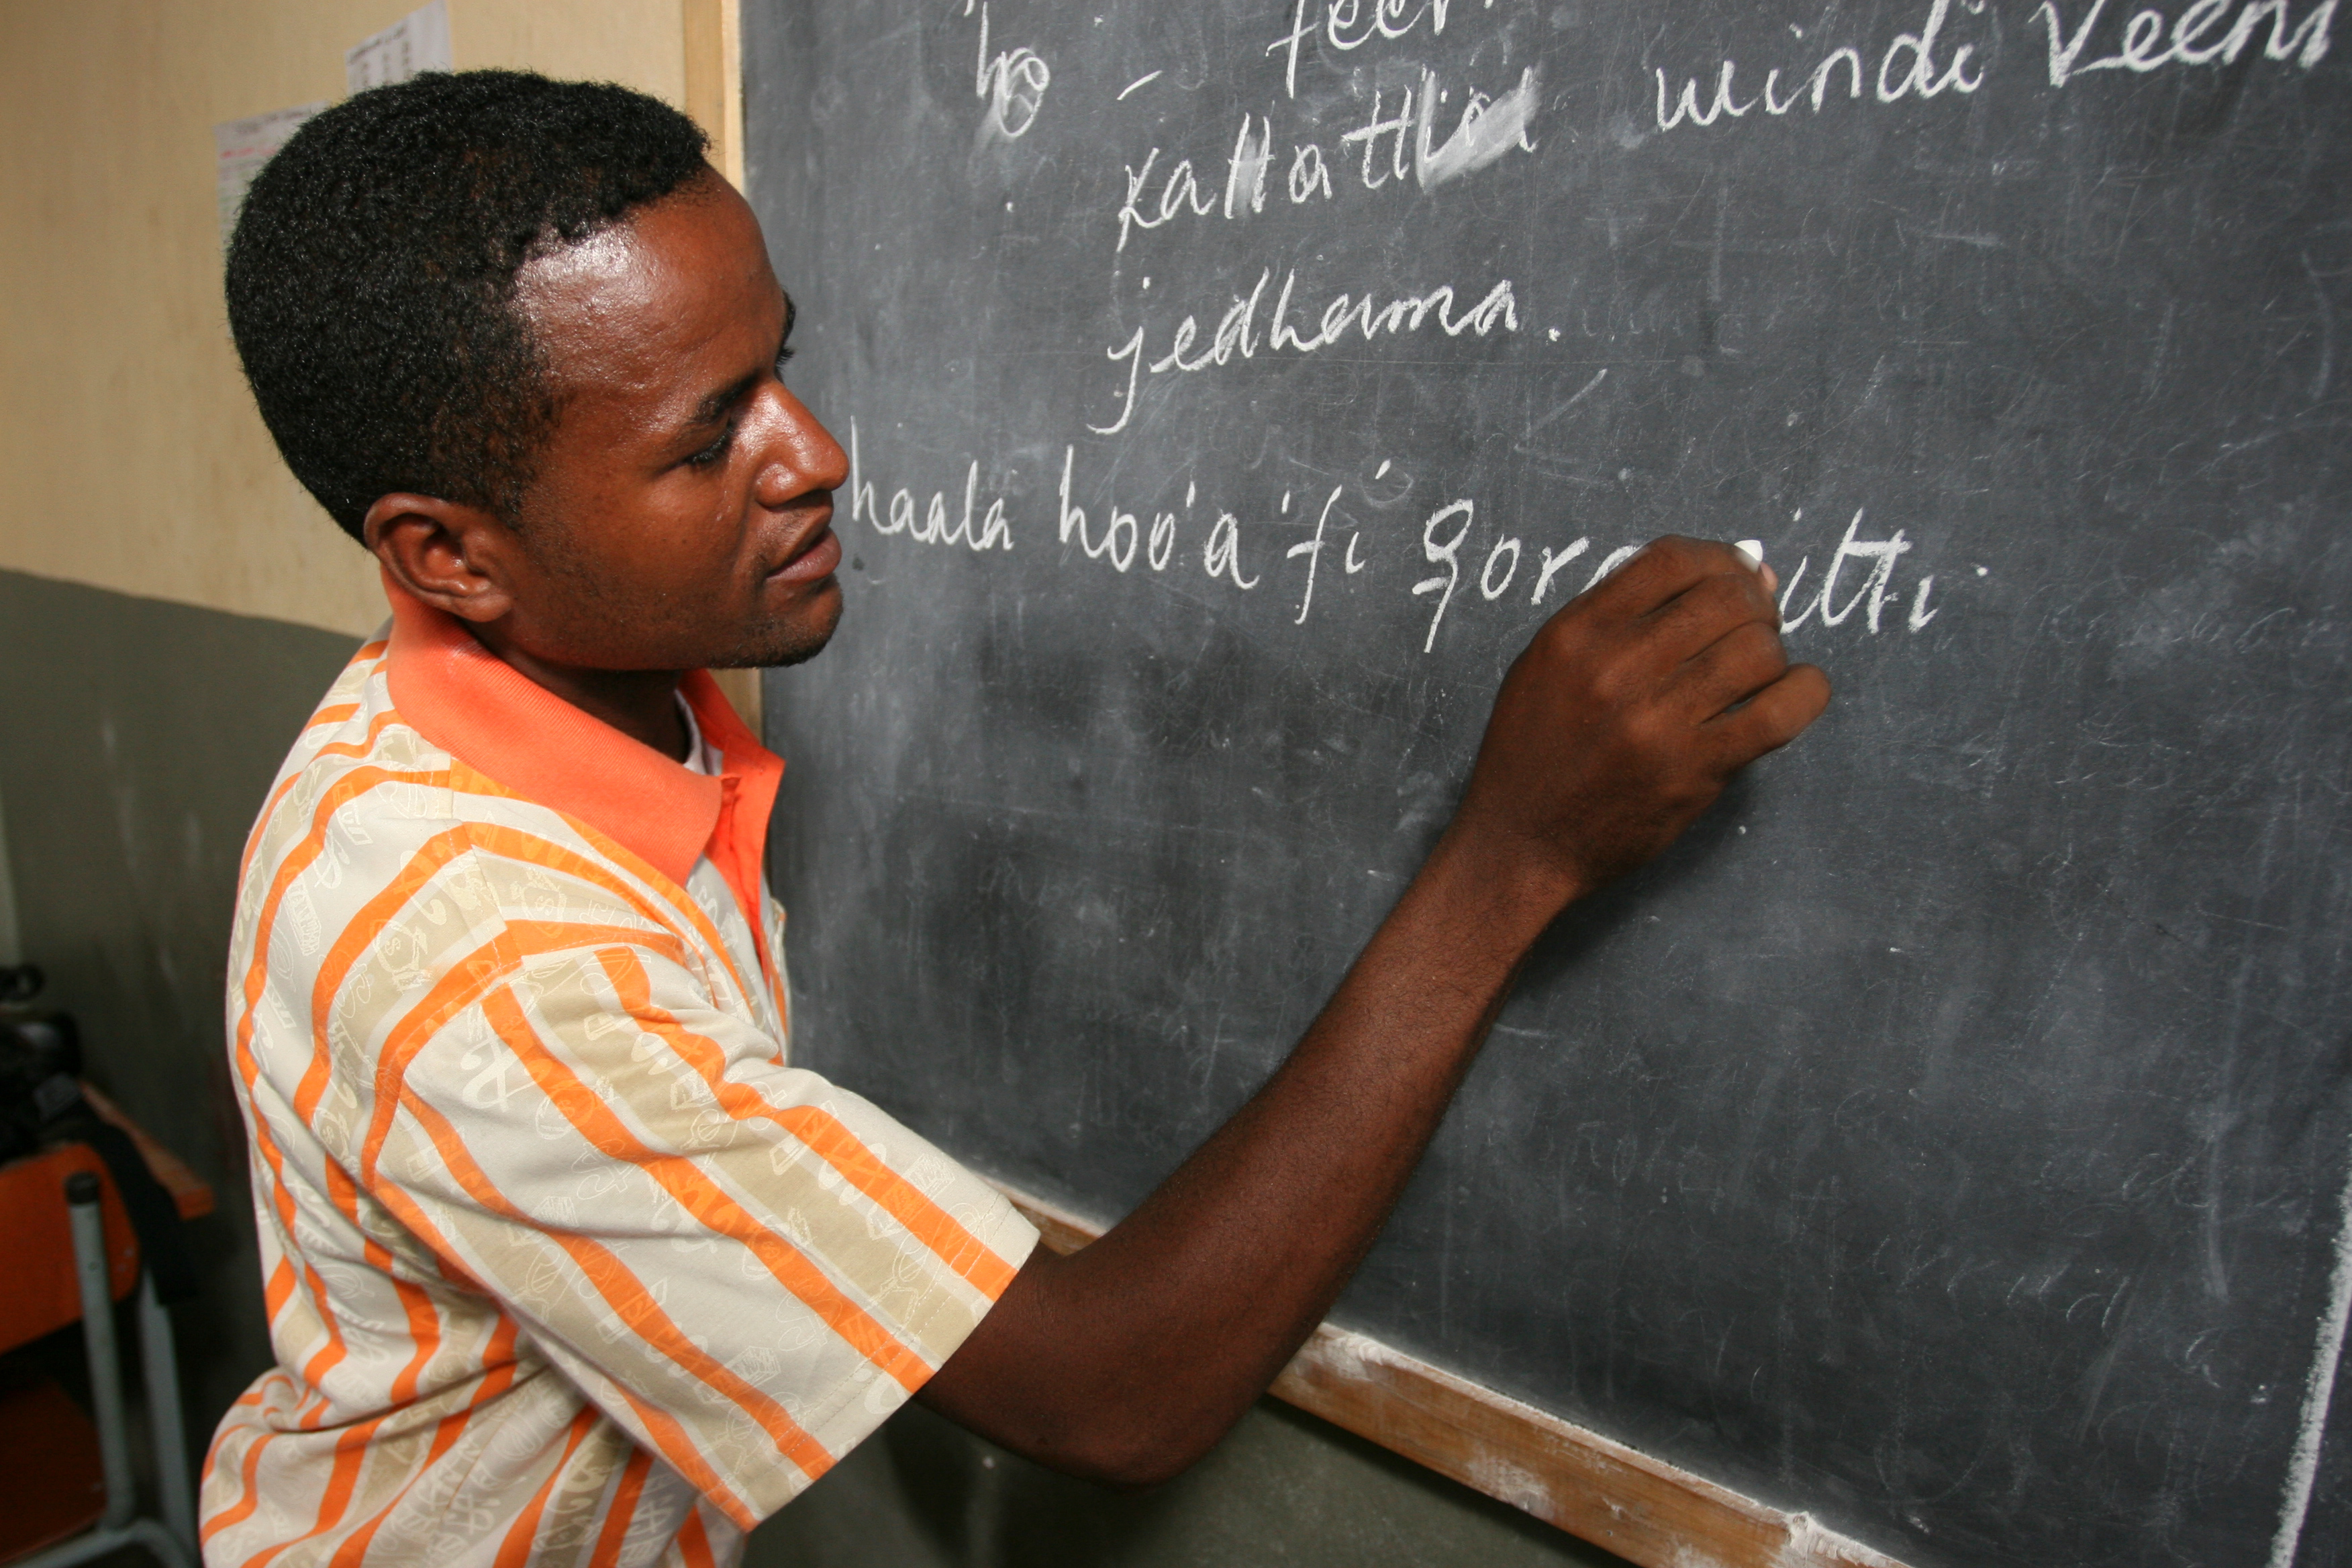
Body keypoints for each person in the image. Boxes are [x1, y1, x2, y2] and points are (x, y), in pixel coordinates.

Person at [202, 70, 1828, 1568]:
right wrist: (1514, 859)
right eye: (709, 439)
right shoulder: (489, 963)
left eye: (781, 368)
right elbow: (1108, 1394)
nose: (814, 455)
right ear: (450, 556)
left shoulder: (582, 702)